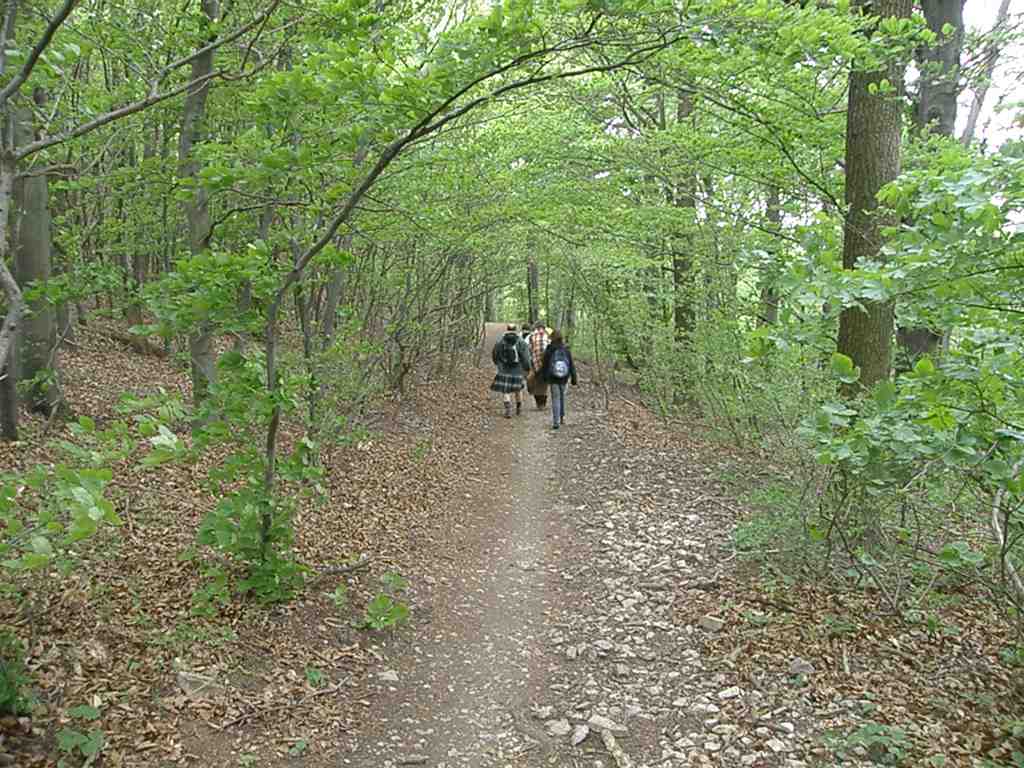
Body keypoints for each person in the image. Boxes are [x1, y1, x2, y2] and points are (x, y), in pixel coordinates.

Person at [490, 324, 532, 418]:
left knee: (506, 391)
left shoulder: (500, 341)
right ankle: (519, 408)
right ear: (515, 330)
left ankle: (508, 410)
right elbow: (526, 357)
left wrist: (498, 363)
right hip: (517, 369)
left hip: (504, 369)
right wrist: (527, 368)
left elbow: (495, 354)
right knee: (518, 390)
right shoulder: (521, 342)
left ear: (507, 329)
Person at [540, 329, 577, 430]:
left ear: (552, 338)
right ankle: (562, 417)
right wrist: (574, 378)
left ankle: (556, 422)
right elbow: (571, 365)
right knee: (562, 397)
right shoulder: (566, 349)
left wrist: (544, 377)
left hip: (553, 378)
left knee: (555, 398)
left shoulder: (550, 349)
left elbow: (545, 364)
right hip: (564, 378)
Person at [528, 322, 550, 410]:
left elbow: (529, 349)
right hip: (546, 364)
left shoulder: (531, 336)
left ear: (536, 328)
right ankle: (543, 404)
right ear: (544, 328)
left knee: (535, 383)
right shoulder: (548, 336)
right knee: (544, 384)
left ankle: (538, 403)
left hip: (535, 363)